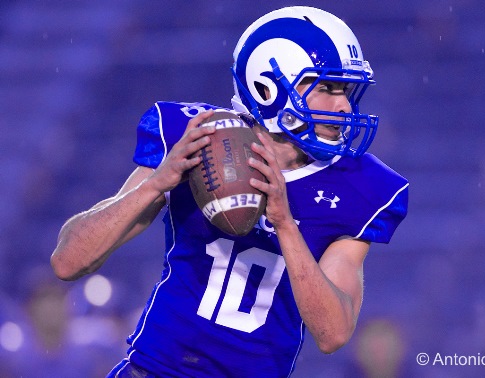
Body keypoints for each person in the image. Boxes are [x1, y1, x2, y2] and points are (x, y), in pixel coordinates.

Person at [51, 6, 409, 378]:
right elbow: (69, 261)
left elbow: (333, 333)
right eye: (327, 88)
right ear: (268, 88)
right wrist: (158, 182)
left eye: (347, 91)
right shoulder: (199, 138)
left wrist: (285, 224)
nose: (344, 106)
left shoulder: (361, 185)